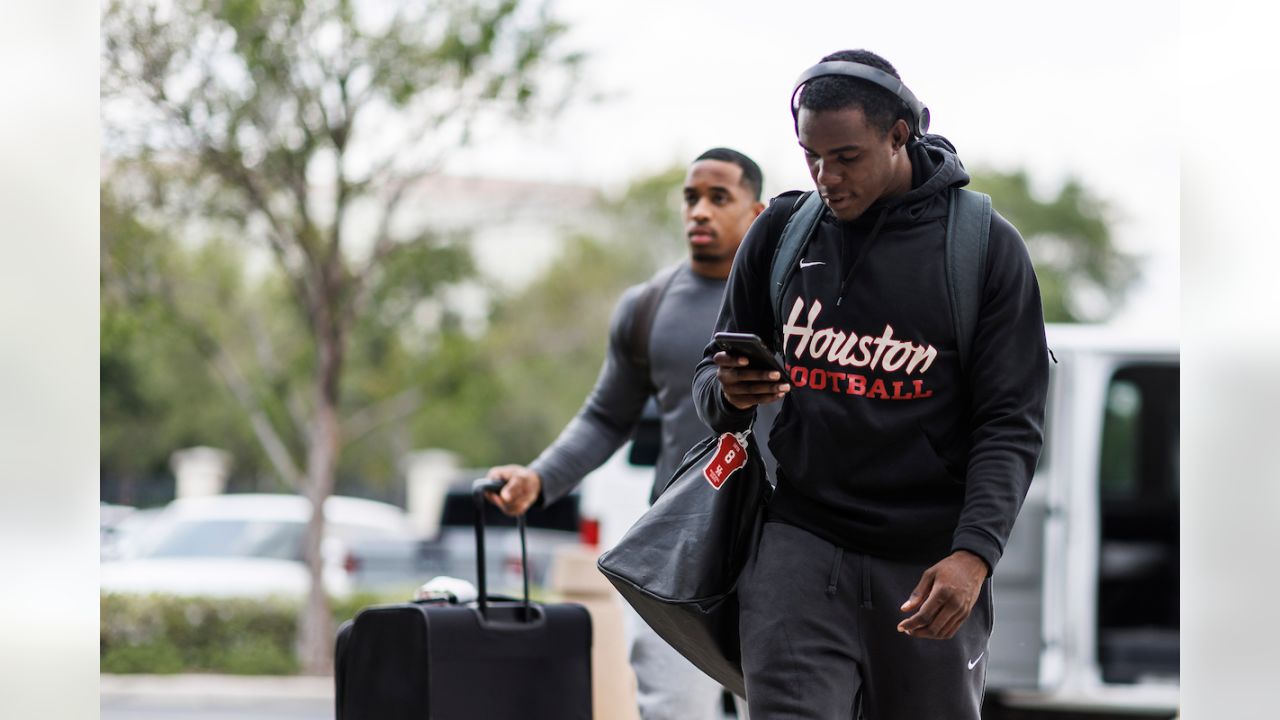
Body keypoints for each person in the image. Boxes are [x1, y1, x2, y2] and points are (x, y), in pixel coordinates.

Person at [692, 49, 1050, 719]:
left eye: (847, 157)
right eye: (811, 157)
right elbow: (710, 388)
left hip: (927, 561)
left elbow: (1010, 422)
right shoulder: (780, 234)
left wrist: (974, 554)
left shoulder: (984, 249)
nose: (826, 176)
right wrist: (730, 392)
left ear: (898, 136)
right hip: (797, 548)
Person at [485, 148, 776, 720]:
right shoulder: (647, 306)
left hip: (778, 547)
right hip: (680, 551)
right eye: (691, 198)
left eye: (720, 199)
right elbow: (605, 416)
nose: (700, 211)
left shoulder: (792, 300)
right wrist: (539, 479)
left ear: (757, 211)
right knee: (672, 711)